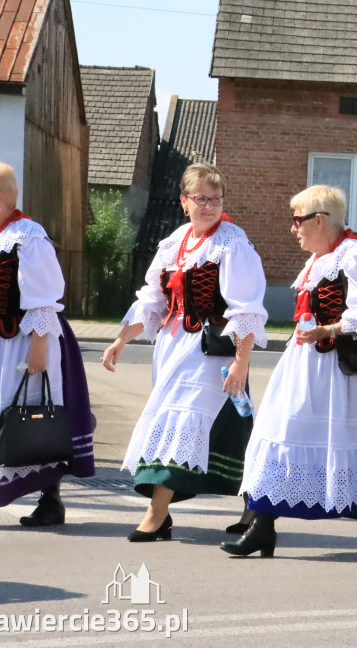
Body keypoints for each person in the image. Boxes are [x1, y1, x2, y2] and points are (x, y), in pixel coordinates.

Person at [221, 185, 357, 557]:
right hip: (304, 366)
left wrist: (328, 330)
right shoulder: (317, 260)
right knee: (277, 433)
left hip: (344, 373)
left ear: (318, 220)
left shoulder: (354, 254)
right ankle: (263, 524)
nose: (292, 229)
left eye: (297, 221)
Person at [101, 163, 267, 542]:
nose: (208, 206)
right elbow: (152, 300)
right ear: (184, 201)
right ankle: (255, 507)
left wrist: (241, 364)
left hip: (212, 353)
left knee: (183, 424)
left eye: (215, 199)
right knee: (229, 428)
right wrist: (120, 339)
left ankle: (156, 514)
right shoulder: (174, 242)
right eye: (200, 198)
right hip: (172, 347)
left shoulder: (232, 244)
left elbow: (246, 310)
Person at [0, 161, 94, 525]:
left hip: (19, 342)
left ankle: (50, 500)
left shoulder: (28, 236)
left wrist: (38, 346)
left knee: (27, 416)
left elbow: (44, 298)